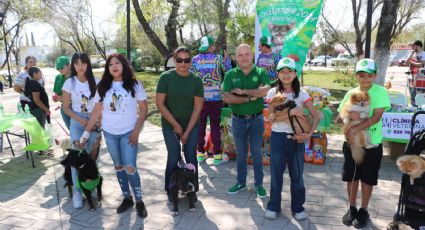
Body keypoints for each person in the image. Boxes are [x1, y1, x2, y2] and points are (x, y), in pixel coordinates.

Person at [82, 53, 148, 218]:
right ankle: (127, 198)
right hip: (110, 134)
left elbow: (144, 109)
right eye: (110, 64)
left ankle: (139, 201)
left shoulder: (134, 85)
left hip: (128, 133)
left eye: (117, 63)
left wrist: (136, 131)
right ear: (108, 68)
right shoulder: (103, 86)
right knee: (119, 166)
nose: (114, 66)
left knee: (130, 168)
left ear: (124, 65)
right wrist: (85, 133)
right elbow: (97, 111)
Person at [264, 57, 319, 220]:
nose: (286, 75)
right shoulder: (272, 93)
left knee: (297, 175)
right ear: (278, 74)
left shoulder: (302, 94)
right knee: (276, 173)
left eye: (290, 71)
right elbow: (271, 118)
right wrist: (291, 112)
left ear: (295, 73)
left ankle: (298, 208)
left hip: (297, 140)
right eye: (283, 72)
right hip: (278, 138)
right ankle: (274, 206)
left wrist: (308, 135)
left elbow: (316, 116)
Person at [337, 59, 390, 228]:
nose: (365, 79)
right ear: (356, 76)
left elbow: (376, 117)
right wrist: (348, 118)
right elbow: (339, 118)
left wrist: (355, 127)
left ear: (374, 76)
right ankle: (351, 208)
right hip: (352, 144)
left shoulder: (380, 92)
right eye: (362, 75)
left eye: (369, 75)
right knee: (352, 178)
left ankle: (364, 210)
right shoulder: (351, 93)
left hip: (372, 144)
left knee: (368, 179)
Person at [156, 46, 204, 203]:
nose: (183, 63)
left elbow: (197, 108)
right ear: (174, 60)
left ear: (191, 61)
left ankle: (192, 188)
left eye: (187, 60)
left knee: (191, 157)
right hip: (170, 124)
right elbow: (160, 104)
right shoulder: (165, 78)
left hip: (192, 124)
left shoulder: (196, 80)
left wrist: (187, 132)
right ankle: (171, 189)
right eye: (179, 60)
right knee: (174, 155)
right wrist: (176, 126)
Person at [222, 44, 271, 198]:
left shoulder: (261, 72)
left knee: (257, 153)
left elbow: (266, 90)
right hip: (238, 120)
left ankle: (258, 185)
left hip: (256, 119)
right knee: (241, 154)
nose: (244, 57)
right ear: (236, 57)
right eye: (240, 55)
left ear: (252, 55)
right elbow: (227, 97)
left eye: (247, 54)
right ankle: (241, 183)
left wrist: (243, 93)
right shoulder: (230, 74)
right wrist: (251, 97)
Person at [62, 52, 102, 209]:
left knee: (93, 156)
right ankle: (77, 193)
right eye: (77, 63)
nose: (80, 66)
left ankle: (91, 187)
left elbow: (100, 106)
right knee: (76, 158)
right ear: (73, 65)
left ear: (88, 64)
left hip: (94, 121)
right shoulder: (69, 83)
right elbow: (66, 108)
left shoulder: (96, 82)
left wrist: (96, 121)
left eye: (83, 63)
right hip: (78, 121)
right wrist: (82, 121)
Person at [191, 35, 232, 165]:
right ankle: (217, 156)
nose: (215, 47)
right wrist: (227, 60)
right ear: (211, 47)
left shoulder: (195, 60)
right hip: (215, 99)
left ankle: (200, 154)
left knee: (200, 126)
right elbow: (229, 71)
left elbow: (190, 77)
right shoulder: (218, 58)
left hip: (199, 99)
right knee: (215, 125)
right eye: (213, 45)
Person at [53, 56, 72, 129]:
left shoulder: (76, 77)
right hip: (64, 108)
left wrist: (62, 98)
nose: (60, 70)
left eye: (62, 68)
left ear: (69, 65)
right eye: (58, 69)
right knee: (72, 132)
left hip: (75, 108)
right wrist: (56, 98)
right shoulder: (58, 78)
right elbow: (56, 94)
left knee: (78, 132)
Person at [405, 40, 425, 106]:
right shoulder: (412, 54)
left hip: (420, 78)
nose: (412, 47)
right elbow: (406, 64)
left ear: (418, 46)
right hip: (411, 76)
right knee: (412, 96)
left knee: (418, 95)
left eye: (413, 46)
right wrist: (411, 55)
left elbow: (421, 65)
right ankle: (413, 108)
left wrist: (412, 62)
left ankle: (419, 109)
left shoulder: (423, 54)